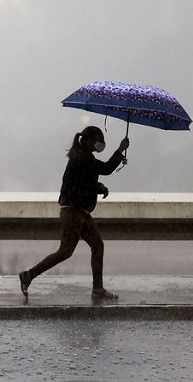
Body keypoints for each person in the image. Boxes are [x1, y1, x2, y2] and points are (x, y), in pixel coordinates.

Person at [18, 125, 130, 300]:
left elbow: (86, 182)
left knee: (97, 245)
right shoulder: (82, 157)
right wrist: (120, 150)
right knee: (65, 251)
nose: (99, 144)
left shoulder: (83, 157)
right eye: (97, 140)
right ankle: (29, 275)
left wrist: (98, 187)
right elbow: (105, 169)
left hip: (81, 212)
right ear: (87, 140)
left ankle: (98, 289)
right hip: (73, 213)